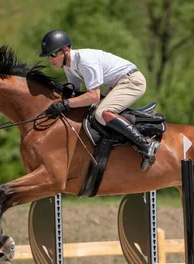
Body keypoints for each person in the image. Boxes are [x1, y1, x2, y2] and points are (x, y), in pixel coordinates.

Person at [39, 30, 160, 171]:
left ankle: (145, 144)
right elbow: (76, 95)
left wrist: (65, 104)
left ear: (66, 50)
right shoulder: (69, 67)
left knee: (102, 113)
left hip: (132, 81)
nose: (51, 59)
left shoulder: (85, 61)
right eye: (48, 56)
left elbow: (93, 96)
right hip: (117, 83)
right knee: (90, 111)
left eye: (53, 54)